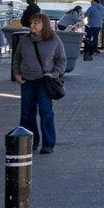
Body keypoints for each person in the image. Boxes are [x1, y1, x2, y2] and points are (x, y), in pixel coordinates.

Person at [12, 12, 66, 154]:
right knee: (27, 114)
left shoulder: (54, 40)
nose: (32, 25)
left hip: (44, 80)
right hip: (26, 80)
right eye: (31, 22)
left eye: (36, 23)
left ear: (44, 25)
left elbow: (62, 60)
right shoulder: (24, 40)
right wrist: (17, 74)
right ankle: (30, 142)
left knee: (45, 112)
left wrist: (54, 73)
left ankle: (48, 144)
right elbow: (16, 58)